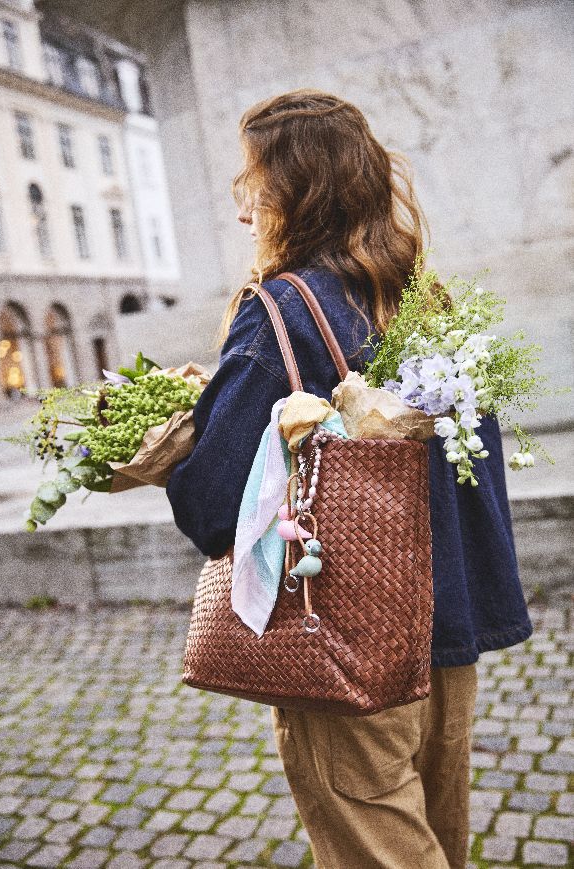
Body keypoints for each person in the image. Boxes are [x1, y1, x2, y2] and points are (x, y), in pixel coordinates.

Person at [166, 89, 533, 869]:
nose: (243, 213)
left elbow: (212, 509)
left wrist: (176, 441)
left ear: (297, 193)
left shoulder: (281, 312)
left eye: (253, 185)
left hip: (348, 652)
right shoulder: (422, 301)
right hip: (446, 640)